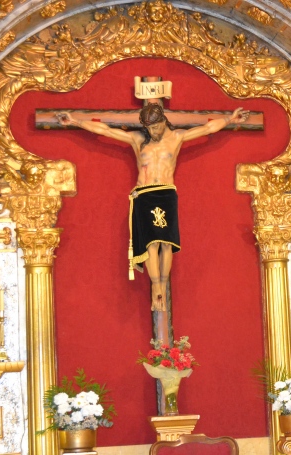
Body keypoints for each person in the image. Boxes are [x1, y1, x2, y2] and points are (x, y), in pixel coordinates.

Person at [57, 103, 249, 311]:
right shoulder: (138, 140)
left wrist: (230, 119)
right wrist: (75, 121)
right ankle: (156, 287)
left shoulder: (176, 137)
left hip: (166, 193)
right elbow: (105, 131)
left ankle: (162, 287)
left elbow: (207, 129)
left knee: (166, 243)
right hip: (145, 194)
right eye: (149, 128)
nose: (153, 131)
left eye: (156, 127)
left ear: (163, 121)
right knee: (151, 244)